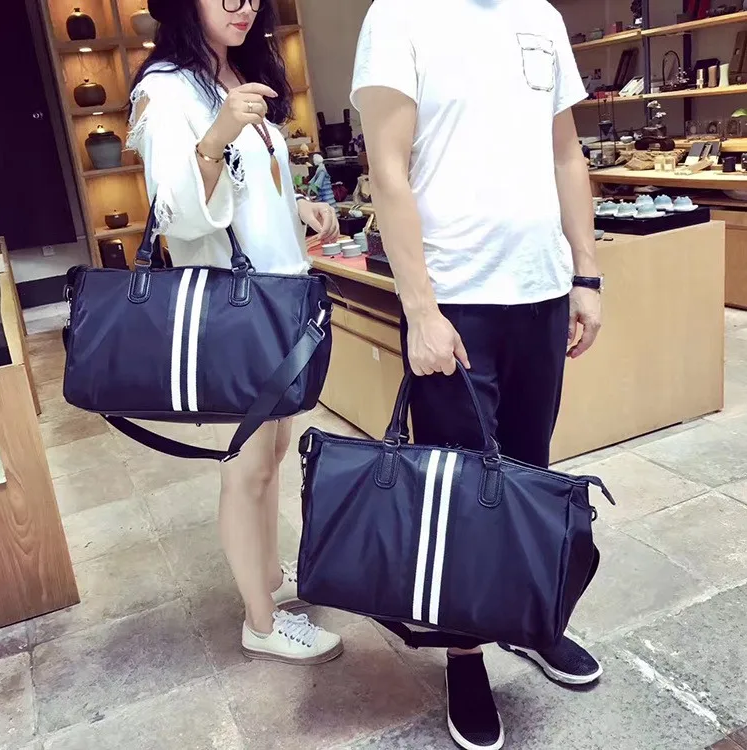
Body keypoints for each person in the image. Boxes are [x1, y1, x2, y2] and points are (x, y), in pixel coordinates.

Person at [351, 0, 603, 747]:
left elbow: (566, 155)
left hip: (541, 291)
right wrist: (420, 310)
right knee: (459, 492)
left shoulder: (541, 16)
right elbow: (388, 168)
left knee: (529, 475)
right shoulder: (398, 16)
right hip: (456, 300)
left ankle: (529, 621)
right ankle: (464, 657)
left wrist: (586, 274)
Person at [129, 0, 342, 665]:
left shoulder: (234, 73)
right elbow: (175, 216)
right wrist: (214, 137)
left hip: (277, 300)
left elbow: (251, 191)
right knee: (246, 465)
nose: (241, 6)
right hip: (233, 309)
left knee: (272, 452)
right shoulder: (166, 90)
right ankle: (259, 621)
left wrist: (296, 207)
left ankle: (268, 581)